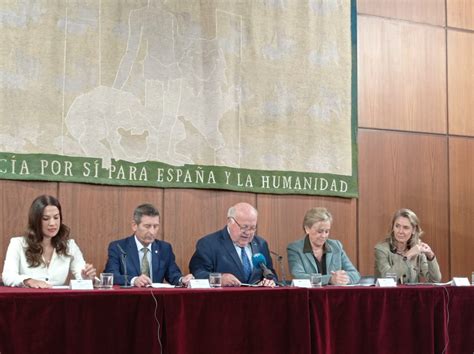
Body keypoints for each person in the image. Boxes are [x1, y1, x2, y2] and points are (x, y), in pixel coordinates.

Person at [2, 195, 96, 288]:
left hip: (59, 301)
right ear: (35, 221)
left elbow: (82, 274)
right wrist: (28, 281)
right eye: (46, 219)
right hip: (29, 300)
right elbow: (7, 276)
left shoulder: (69, 245)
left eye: (56, 217)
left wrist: (86, 277)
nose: (52, 223)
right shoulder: (17, 244)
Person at [104, 203, 193, 287]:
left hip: (156, 301)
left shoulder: (164, 248)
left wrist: (182, 280)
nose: (152, 231)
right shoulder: (119, 247)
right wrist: (134, 280)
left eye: (155, 226)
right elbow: (111, 276)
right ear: (134, 225)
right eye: (147, 226)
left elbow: (173, 274)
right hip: (128, 300)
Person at [189, 202, 276, 287]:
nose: (248, 233)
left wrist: (269, 281)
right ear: (230, 222)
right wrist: (219, 279)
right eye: (244, 227)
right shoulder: (208, 244)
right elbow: (197, 275)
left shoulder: (261, 244)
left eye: (253, 228)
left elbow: (271, 274)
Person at [287, 207, 360, 285]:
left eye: (327, 231)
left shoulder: (336, 246)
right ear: (307, 229)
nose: (324, 235)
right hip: (309, 295)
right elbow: (299, 277)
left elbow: (355, 274)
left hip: (334, 295)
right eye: (320, 231)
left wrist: (343, 279)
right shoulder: (295, 248)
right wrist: (329, 279)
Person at [374, 208, 441, 284]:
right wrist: (408, 255)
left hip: (412, 295)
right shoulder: (381, 249)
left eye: (405, 227)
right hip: (388, 295)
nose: (400, 231)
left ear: (413, 230)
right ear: (393, 227)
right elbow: (387, 279)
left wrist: (430, 256)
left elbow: (435, 281)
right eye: (397, 226)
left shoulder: (417, 248)